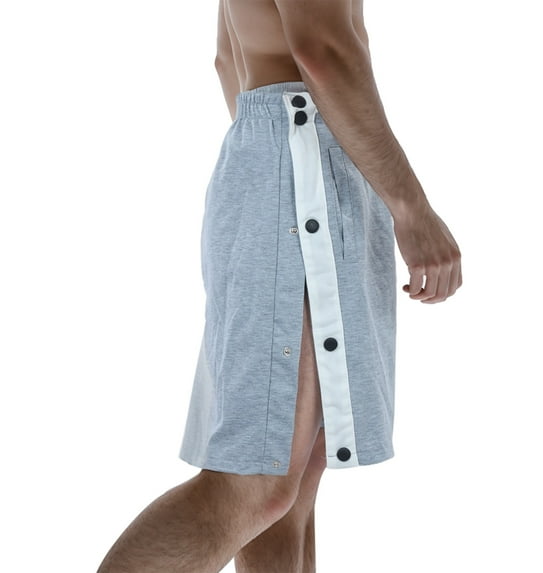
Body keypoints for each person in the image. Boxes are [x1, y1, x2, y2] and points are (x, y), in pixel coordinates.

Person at [96, 0, 462, 571]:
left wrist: (270, 161)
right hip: (302, 161)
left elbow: (228, 59)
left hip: (294, 159)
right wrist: (411, 209)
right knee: (257, 484)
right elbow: (323, 51)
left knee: (290, 487)